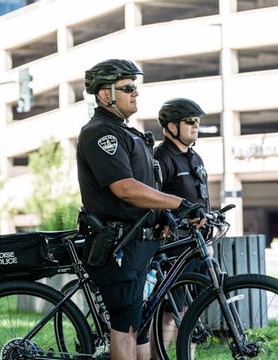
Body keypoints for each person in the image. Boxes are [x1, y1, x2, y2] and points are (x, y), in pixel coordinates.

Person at [76, 59, 205, 360]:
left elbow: (147, 186)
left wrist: (163, 214)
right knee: (125, 326)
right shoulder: (100, 133)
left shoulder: (129, 133)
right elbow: (125, 189)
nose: (136, 93)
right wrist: (179, 203)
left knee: (140, 326)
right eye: (128, 87)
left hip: (139, 243)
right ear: (105, 94)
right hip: (117, 245)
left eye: (136, 87)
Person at [149, 97, 211, 358]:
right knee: (169, 311)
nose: (195, 126)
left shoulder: (194, 155)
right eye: (189, 122)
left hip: (196, 244)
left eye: (197, 121)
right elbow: (152, 198)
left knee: (191, 310)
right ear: (171, 127)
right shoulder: (161, 158)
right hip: (173, 245)